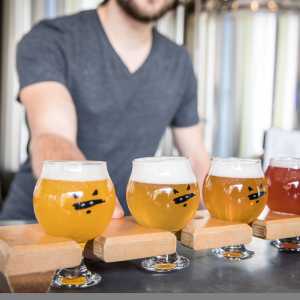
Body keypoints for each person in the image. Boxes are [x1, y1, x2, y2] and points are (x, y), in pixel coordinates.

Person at [0, 0, 210, 220]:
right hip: (36, 225)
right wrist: (96, 202)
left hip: (124, 230)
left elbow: (195, 157)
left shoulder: (178, 61)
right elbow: (53, 136)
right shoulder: (51, 38)